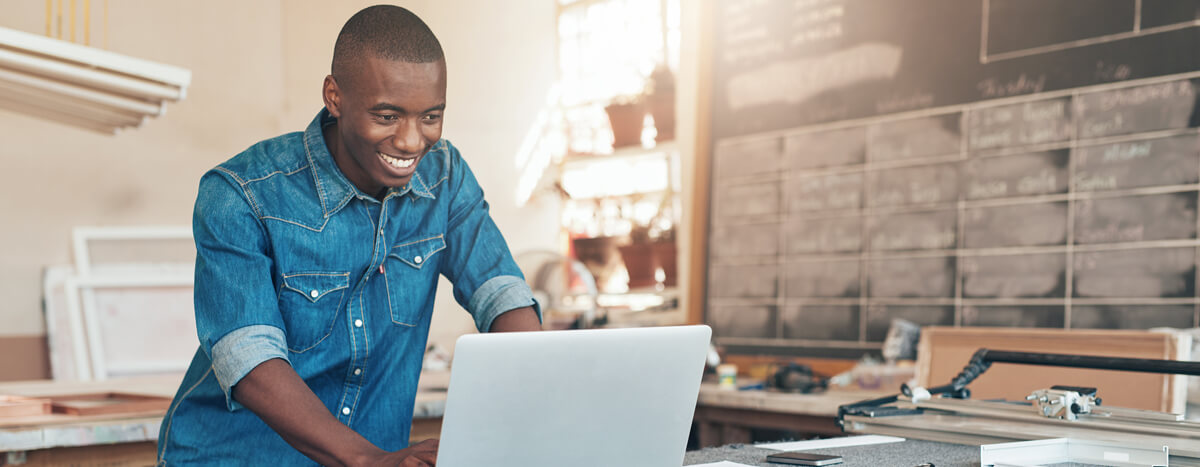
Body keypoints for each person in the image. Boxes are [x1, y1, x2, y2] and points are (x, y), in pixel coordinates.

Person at [156, 5, 541, 466]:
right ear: (334, 97)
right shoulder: (240, 195)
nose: (411, 141)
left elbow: (503, 297)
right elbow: (249, 359)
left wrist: (523, 413)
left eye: (431, 117)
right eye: (387, 116)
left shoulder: (445, 178)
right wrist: (367, 460)